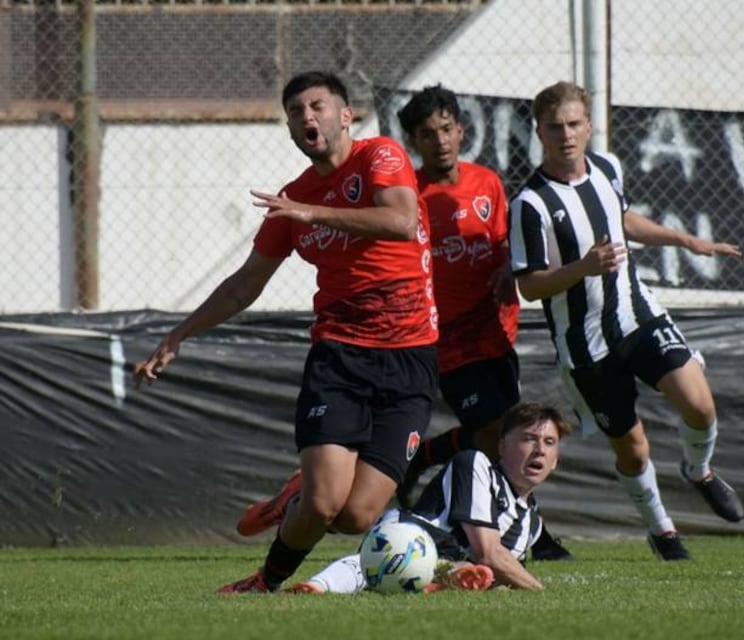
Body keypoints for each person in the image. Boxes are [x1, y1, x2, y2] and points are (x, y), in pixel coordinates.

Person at [133, 71, 439, 593]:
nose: (306, 118)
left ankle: (290, 498)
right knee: (322, 506)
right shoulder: (291, 200)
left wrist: (313, 211)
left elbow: (400, 221)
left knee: (357, 517)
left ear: (346, 116)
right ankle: (265, 582)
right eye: (295, 112)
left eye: (317, 106)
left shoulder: (378, 157)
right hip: (340, 355)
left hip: (411, 356)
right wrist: (178, 335)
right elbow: (244, 284)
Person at [235, 84, 572, 561]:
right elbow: (390, 231)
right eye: (427, 134)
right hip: (438, 342)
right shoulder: (403, 190)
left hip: (494, 334)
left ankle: (436, 476)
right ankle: (517, 532)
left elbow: (500, 244)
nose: (440, 141)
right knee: (498, 433)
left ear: (462, 130)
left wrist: (505, 267)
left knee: (487, 442)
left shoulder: (488, 184)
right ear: (413, 141)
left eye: (447, 130)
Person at [508, 81, 744, 561]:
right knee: (633, 450)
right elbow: (530, 286)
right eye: (554, 127)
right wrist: (583, 268)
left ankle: (698, 470)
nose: (566, 135)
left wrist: (685, 241)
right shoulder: (530, 204)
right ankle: (662, 531)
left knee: (699, 404)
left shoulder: (608, 167)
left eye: (574, 124)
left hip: (637, 315)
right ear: (539, 132)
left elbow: (624, 220)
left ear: (589, 126)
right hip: (587, 345)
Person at [285, 401, 573, 594]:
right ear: (501, 446)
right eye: (528, 439)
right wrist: (540, 592)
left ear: (556, 460)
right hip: (411, 536)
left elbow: (503, 572)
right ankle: (318, 586)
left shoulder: (533, 524)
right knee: (393, 558)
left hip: (456, 561)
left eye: (549, 443)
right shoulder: (476, 464)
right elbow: (491, 553)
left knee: (473, 574)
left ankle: (445, 577)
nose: (539, 450)